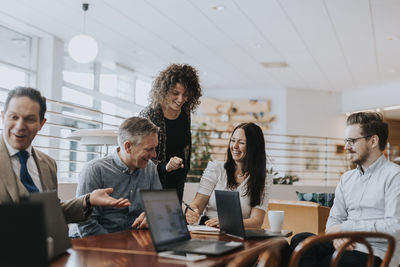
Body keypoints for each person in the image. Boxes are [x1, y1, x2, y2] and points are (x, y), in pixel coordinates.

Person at [0, 87, 130, 224]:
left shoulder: (48, 164)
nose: (20, 125)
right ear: (3, 117)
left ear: (41, 124)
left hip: (47, 243)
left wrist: (88, 200)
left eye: (29, 119)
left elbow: (52, 212)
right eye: (13, 117)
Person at [289, 112, 400, 267]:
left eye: (352, 141)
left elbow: (395, 227)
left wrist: (346, 229)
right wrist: (337, 236)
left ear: (373, 141)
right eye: (346, 141)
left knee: (327, 263)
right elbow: (334, 220)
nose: (346, 146)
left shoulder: (395, 176)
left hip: (374, 252)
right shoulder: (347, 178)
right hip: (343, 245)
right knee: (300, 241)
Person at [76, 116, 162, 237]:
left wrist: (152, 215)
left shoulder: (150, 168)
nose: (154, 154)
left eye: (155, 148)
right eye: (149, 149)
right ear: (128, 147)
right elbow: (87, 225)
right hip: (95, 243)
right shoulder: (94, 170)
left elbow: (159, 209)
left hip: (132, 242)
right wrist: (117, 247)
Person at [185, 122, 272, 228]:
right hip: (208, 230)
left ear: (254, 147)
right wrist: (192, 212)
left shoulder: (263, 178)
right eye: (232, 140)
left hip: (239, 234)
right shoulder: (215, 168)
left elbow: (257, 221)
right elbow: (197, 204)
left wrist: (228, 222)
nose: (234, 146)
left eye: (241, 142)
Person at [139, 63, 202, 202]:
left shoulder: (185, 111)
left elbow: (184, 146)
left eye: (185, 94)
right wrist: (164, 167)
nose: (181, 99)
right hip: (155, 179)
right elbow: (140, 153)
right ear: (164, 90)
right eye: (176, 93)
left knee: (173, 221)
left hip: (177, 179)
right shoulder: (149, 114)